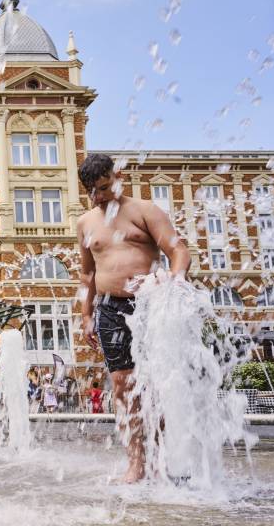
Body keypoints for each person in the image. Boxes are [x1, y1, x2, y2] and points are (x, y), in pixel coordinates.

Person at [77, 153, 190, 484]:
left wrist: (175, 281)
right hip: (109, 309)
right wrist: (86, 315)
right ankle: (136, 463)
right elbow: (87, 274)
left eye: (104, 188)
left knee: (153, 385)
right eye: (92, 192)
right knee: (123, 387)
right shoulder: (85, 223)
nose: (99, 197)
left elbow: (179, 251)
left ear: (118, 177)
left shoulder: (144, 211)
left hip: (149, 305)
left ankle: (159, 459)